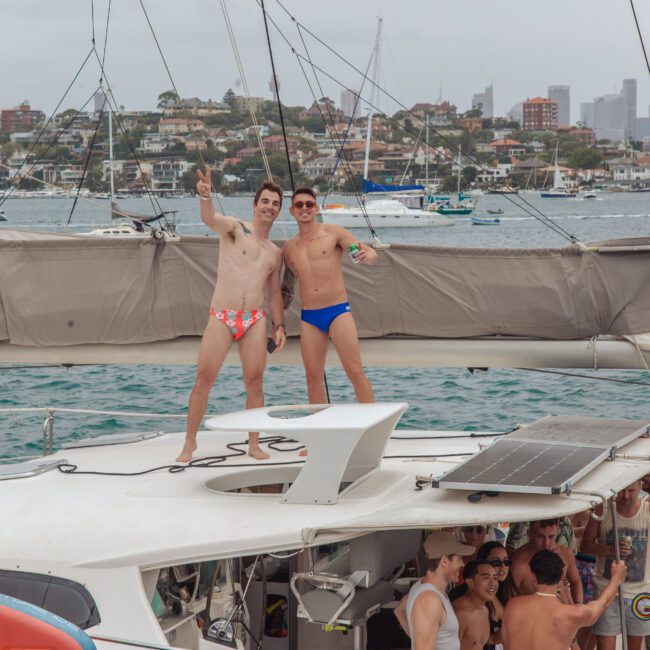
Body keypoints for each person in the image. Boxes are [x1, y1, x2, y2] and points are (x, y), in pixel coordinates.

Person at [176, 170, 286, 463]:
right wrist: (205, 195)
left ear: (279, 210)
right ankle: (190, 442)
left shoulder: (275, 253)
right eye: (265, 201)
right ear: (254, 205)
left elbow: (274, 293)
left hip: (254, 319)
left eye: (275, 203)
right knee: (204, 379)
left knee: (255, 382)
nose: (269, 207)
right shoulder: (235, 229)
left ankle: (254, 443)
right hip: (222, 316)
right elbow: (210, 219)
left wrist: (279, 325)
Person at [282, 188, 377, 406]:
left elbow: (366, 254)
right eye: (299, 205)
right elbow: (286, 287)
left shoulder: (334, 233)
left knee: (354, 370)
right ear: (291, 210)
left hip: (337, 311)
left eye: (309, 204)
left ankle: (371, 423)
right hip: (309, 318)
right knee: (313, 379)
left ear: (316, 208)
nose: (304, 208)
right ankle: (320, 428)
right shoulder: (289, 248)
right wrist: (278, 323)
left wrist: (370, 255)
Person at [501, 549, 627, 650]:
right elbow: (603, 603)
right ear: (562, 576)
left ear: (532, 577)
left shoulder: (512, 606)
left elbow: (506, 641)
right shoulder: (571, 613)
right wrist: (616, 578)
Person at [581, 479, 650, 650]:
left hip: (640, 592)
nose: (625, 496)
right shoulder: (602, 511)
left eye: (631, 491)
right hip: (607, 590)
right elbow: (585, 545)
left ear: (641, 486)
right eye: (621, 491)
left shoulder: (647, 510)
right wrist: (609, 549)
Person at [394, 531, 474, 649]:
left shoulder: (422, 585)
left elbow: (399, 611)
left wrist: (419, 637)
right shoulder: (429, 599)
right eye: (459, 559)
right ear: (445, 561)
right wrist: (420, 640)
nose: (462, 564)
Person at [510, 518, 583, 605]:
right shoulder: (518, 564)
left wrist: (578, 605)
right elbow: (508, 604)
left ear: (558, 532)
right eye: (540, 536)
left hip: (565, 613)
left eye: (551, 536)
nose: (546, 543)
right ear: (529, 533)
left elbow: (576, 582)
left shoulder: (565, 554)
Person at [451, 561, 498, 650]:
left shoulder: (485, 609)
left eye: (495, 578)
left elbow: (478, 642)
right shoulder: (460, 613)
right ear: (470, 583)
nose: (493, 584)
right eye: (486, 578)